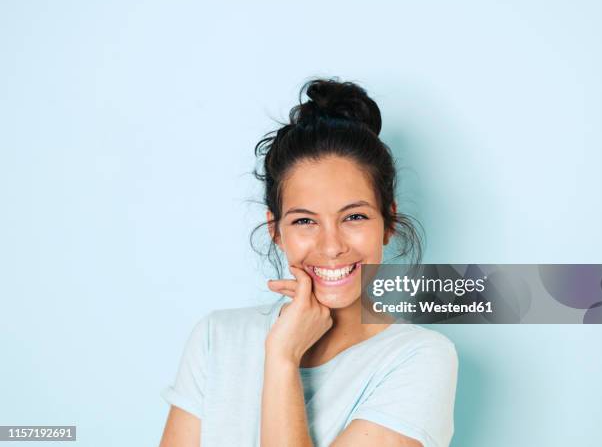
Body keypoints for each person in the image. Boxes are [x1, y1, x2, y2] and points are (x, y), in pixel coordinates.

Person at [159, 78, 458, 447]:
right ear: (276, 230)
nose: (331, 247)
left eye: (354, 217)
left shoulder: (419, 358)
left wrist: (283, 360)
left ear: (389, 222)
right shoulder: (215, 338)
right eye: (304, 221)